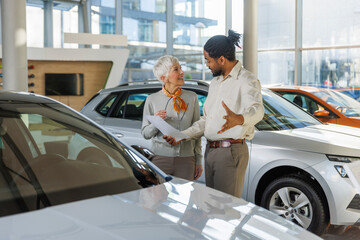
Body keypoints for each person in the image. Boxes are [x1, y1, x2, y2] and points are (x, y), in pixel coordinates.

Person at [164, 30, 264, 198]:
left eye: (208, 60)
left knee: (225, 208)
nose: (207, 65)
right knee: (212, 206)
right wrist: (182, 135)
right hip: (211, 151)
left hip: (230, 152)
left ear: (222, 59)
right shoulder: (215, 82)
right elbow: (206, 120)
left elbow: (258, 110)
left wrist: (240, 119)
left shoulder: (246, 79)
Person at [141, 55, 203, 181]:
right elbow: (145, 133)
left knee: (185, 198)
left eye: (180, 68)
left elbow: (197, 131)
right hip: (159, 159)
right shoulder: (151, 99)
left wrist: (198, 160)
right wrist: (156, 122)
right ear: (164, 78)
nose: (182, 72)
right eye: (176, 69)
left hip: (186, 160)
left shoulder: (192, 97)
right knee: (159, 198)